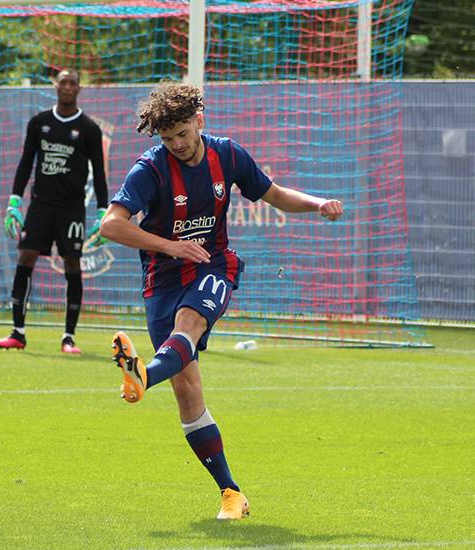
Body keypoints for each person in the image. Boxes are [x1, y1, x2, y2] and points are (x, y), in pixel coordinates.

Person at [99, 82, 343, 520]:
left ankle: (142, 378)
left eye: (182, 133)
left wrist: (317, 201)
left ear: (199, 121)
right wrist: (171, 247)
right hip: (163, 280)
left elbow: (275, 195)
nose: (176, 144)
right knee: (189, 395)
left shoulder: (227, 155)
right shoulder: (149, 170)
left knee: (189, 325)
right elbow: (110, 226)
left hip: (214, 266)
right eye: (168, 138)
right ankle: (231, 492)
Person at [0, 69, 109, 354]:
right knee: (26, 256)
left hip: (72, 208)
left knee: (72, 263)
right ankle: (17, 332)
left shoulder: (89, 129)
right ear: (55, 86)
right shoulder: (39, 123)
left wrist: (103, 212)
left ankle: (68, 336)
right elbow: (25, 163)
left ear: (79, 88)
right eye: (63, 82)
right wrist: (14, 202)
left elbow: (100, 173)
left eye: (73, 83)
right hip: (41, 205)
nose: (67, 87)